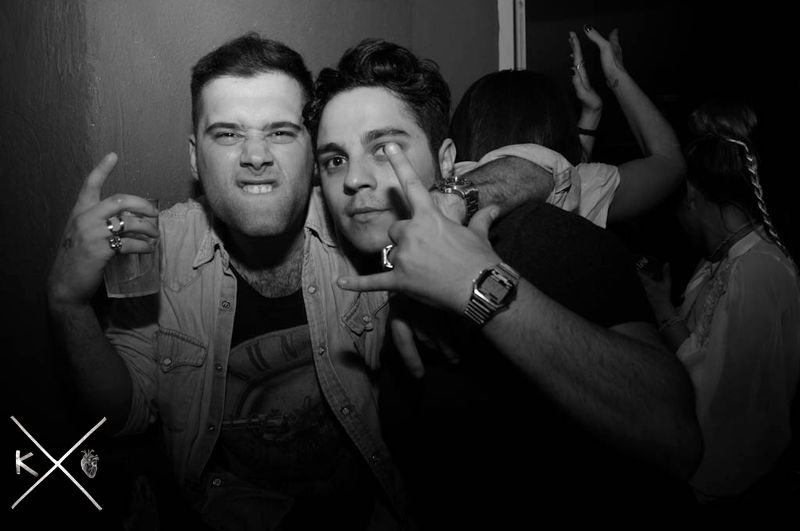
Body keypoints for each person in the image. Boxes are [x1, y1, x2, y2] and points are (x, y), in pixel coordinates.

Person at [305, 38, 702, 526]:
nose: (354, 179)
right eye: (334, 160)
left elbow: (676, 436)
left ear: (447, 161)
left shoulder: (533, 235)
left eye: (385, 149)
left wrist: (473, 281)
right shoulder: (357, 260)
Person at [46, 32, 406, 530]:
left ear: (313, 149)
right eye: (229, 134)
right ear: (195, 157)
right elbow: (123, 414)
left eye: (281, 132)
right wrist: (68, 303)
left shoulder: (362, 220)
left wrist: (467, 194)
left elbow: (465, 174)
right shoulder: (159, 249)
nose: (256, 155)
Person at [638, 99, 800, 504]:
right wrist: (663, 302)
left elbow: (718, 394)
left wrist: (661, 311)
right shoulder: (724, 261)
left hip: (730, 486)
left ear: (691, 194)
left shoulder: (755, 269)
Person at [449, 25, 686, 228]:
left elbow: (560, 171)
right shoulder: (572, 190)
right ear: (551, 130)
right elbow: (670, 163)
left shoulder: (449, 190)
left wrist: (592, 113)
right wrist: (616, 73)